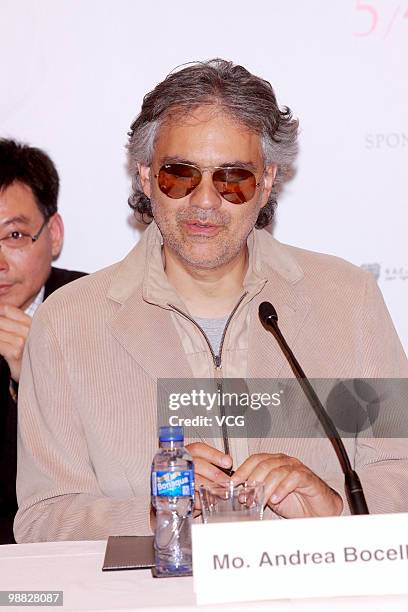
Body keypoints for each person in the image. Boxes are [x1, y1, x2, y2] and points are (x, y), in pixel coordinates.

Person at [14, 60, 407, 543]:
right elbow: (43, 519)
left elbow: (400, 473)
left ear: (266, 184)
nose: (204, 201)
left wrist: (336, 507)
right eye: (179, 175)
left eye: (232, 179)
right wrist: (156, 513)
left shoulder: (348, 301)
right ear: (144, 176)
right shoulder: (67, 323)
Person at [0, 139, 86, 544]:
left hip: (68, 549)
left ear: (53, 234)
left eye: (14, 235)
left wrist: (32, 380)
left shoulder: (96, 311)